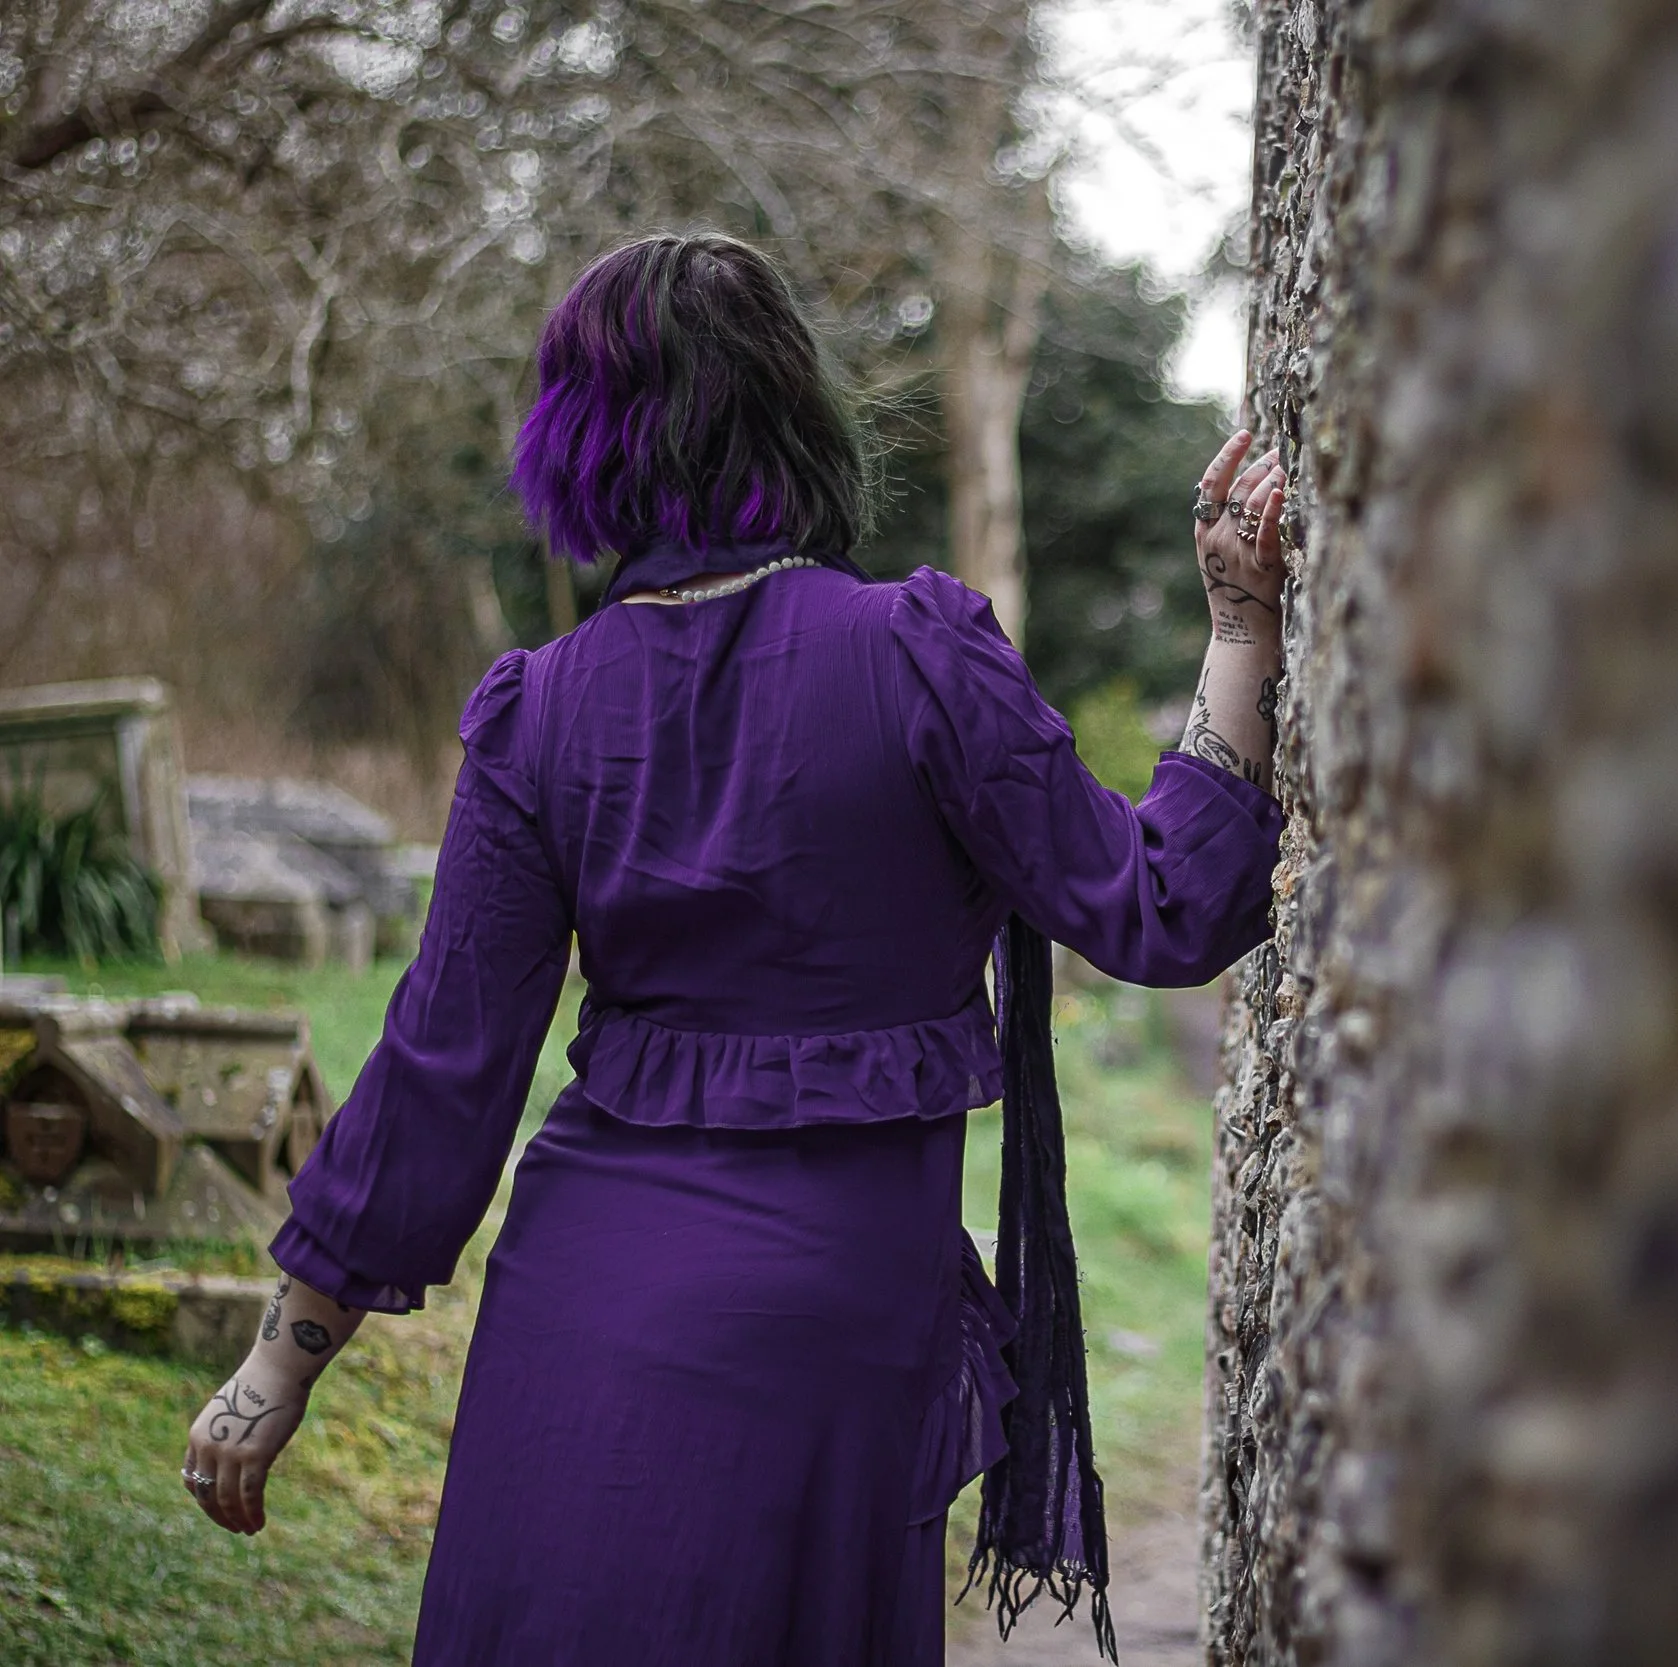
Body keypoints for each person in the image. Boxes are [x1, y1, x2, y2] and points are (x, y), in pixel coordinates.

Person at [180, 231, 1286, 1666]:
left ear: (576, 445)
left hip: (578, 1315)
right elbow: (1162, 904)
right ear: (796, 412)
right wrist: (1245, 625)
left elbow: (442, 1065)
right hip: (828, 1330)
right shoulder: (917, 653)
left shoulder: (540, 711)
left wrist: (279, 1360)